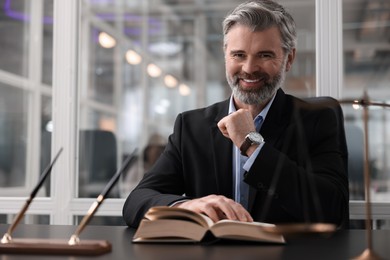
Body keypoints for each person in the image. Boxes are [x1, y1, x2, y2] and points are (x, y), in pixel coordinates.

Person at [123, 0, 349, 228]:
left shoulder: (317, 118)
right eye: (239, 55)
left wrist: (252, 145)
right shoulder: (191, 127)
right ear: (225, 55)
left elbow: (333, 209)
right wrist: (183, 207)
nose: (249, 68)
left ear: (288, 59)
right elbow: (136, 201)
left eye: (264, 55)